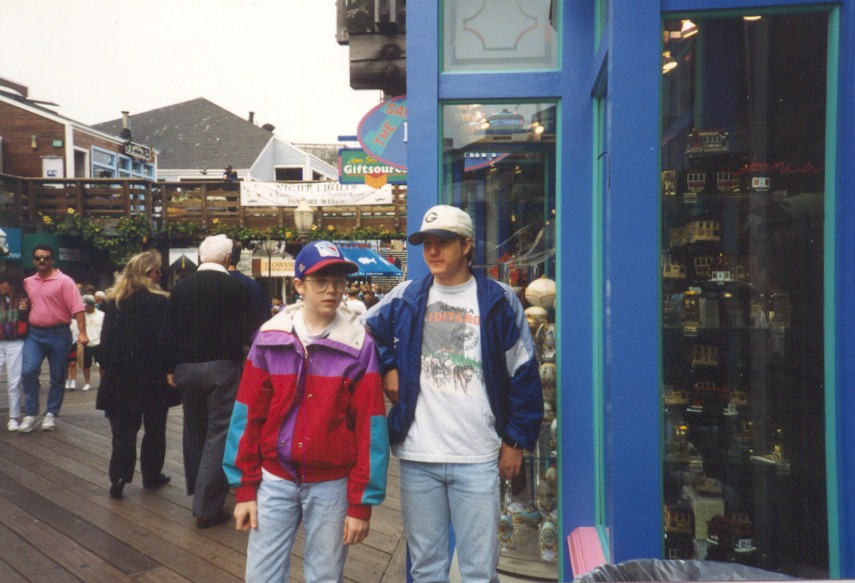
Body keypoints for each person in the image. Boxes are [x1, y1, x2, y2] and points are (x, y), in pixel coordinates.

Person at [362, 205, 544, 582]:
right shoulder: (406, 295)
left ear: (466, 245)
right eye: (426, 242)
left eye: (443, 242)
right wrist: (388, 365)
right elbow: (362, 331)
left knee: (479, 571)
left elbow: (524, 372)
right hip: (418, 456)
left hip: (478, 456)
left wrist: (516, 441)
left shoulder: (498, 300)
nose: (433, 251)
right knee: (426, 569)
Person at [223, 240, 389, 582]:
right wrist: (245, 489)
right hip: (275, 479)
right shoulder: (269, 338)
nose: (332, 290)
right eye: (321, 281)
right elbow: (247, 416)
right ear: (299, 284)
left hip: (332, 484)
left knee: (324, 575)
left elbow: (370, 428)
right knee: (261, 575)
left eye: (339, 281)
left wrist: (361, 503)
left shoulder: (360, 345)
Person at [161, 234, 252, 528]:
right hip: (222, 369)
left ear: (201, 256)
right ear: (227, 259)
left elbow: (169, 329)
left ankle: (197, 489)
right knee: (219, 433)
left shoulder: (181, 287)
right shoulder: (235, 287)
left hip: (186, 369)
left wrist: (170, 367)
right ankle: (206, 506)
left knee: (195, 429)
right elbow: (247, 330)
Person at [97, 251, 176, 499]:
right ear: (148, 274)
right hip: (152, 374)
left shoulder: (114, 301)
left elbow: (106, 339)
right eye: (157, 271)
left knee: (123, 431)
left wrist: (104, 367)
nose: (159, 275)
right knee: (155, 429)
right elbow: (166, 341)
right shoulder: (161, 302)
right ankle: (151, 475)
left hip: (120, 374)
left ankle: (119, 477)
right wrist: (170, 370)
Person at [20, 244, 88, 433]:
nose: (42, 260)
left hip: (59, 333)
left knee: (57, 376)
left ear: (53, 260)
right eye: (38, 258)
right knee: (28, 372)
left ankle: (50, 413)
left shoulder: (64, 281)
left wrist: (82, 333)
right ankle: (31, 414)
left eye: (46, 257)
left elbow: (78, 308)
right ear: (33, 260)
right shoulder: (27, 282)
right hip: (34, 334)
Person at [0, 268, 29, 431]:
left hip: (16, 342)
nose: (0, 286)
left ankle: (13, 417)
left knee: (14, 381)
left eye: (2, 283)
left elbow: (26, 320)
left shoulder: (23, 299)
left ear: (11, 284)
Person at [227, 241, 269, 335]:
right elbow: (264, 318)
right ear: (239, 258)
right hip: (247, 339)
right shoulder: (253, 285)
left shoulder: (212, 282)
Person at [71, 294, 104, 391]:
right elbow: (76, 329)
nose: (84, 308)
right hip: (86, 344)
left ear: (92, 305)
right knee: (86, 365)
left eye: (86, 306)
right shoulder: (81, 316)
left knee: (101, 364)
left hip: (99, 343)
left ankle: (102, 382)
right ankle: (87, 383)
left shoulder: (101, 315)